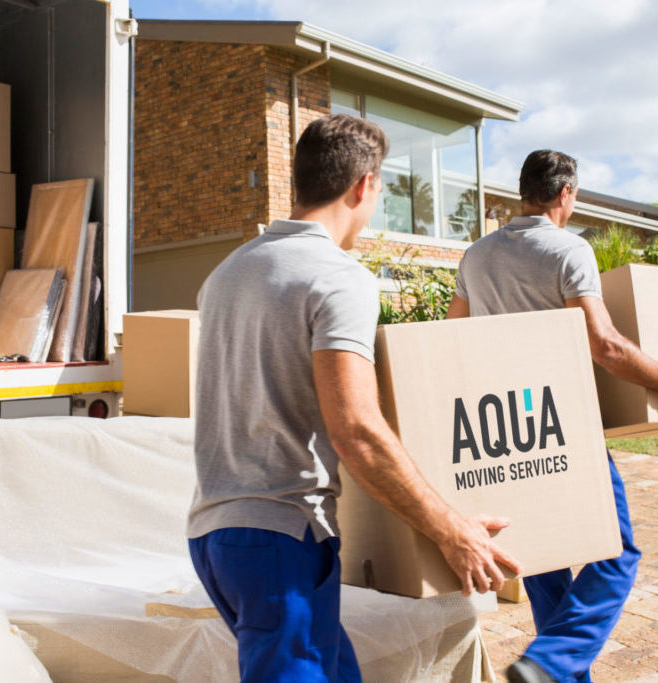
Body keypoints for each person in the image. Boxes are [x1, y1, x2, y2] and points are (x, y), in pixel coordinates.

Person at [186, 113, 523, 682]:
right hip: (281, 539)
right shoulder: (338, 277)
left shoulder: (226, 274)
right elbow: (357, 430)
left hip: (215, 534)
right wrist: (451, 529)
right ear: (364, 185)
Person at [446, 149, 655, 683]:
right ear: (566, 194)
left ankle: (553, 671)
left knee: (544, 559)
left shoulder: (476, 256)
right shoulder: (568, 249)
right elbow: (605, 346)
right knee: (619, 550)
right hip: (563, 421)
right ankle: (551, 660)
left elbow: (450, 338)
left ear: (523, 192)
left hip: (506, 428)